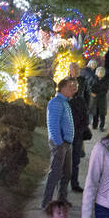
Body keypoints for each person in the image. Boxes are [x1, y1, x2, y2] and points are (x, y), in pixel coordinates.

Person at [41, 77, 77, 209]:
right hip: (60, 144)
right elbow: (53, 125)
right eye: (69, 87)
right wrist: (59, 143)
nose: (72, 89)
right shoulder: (56, 102)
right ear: (62, 88)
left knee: (66, 173)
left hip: (67, 143)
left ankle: (62, 199)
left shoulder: (65, 102)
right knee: (55, 173)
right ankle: (47, 203)